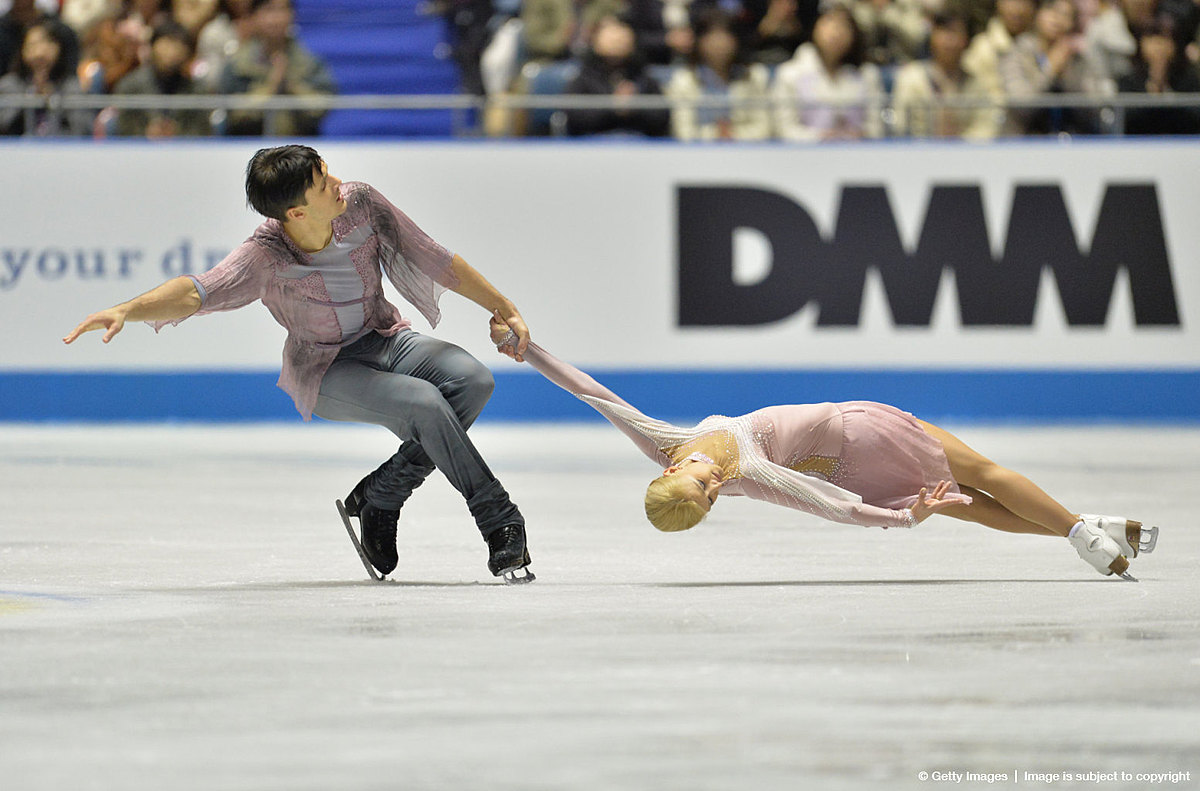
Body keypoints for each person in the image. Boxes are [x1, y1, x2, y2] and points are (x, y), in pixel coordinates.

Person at [63, 145, 536, 583]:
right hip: (327, 370)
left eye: (328, 171)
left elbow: (433, 257)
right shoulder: (265, 255)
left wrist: (503, 306)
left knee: (472, 381)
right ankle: (499, 522)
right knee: (426, 404)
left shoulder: (363, 204)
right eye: (323, 181)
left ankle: (383, 493)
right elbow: (195, 290)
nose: (338, 183)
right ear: (296, 212)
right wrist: (126, 308)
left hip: (386, 338)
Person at [488, 318, 1159, 581]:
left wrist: (529, 349)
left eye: (701, 487)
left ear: (671, 469)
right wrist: (901, 520)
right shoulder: (745, 464)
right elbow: (828, 504)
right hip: (862, 434)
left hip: (857, 456)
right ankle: (1077, 528)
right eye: (711, 500)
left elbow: (595, 395)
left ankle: (1086, 528)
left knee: (969, 501)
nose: (716, 486)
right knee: (978, 475)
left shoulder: (665, 440)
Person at [771, 2, 885, 141]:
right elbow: (783, 130)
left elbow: (876, 128)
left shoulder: (868, 74)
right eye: (829, 22)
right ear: (815, 27)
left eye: (844, 25)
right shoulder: (789, 74)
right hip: (805, 155)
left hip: (857, 153)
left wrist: (858, 135)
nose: (836, 31)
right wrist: (819, 137)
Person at [219, 0, 334, 136]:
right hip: (247, 145)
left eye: (282, 10)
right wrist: (271, 84)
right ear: (253, 16)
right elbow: (236, 114)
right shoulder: (237, 66)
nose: (276, 18)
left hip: (298, 147)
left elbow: (321, 108)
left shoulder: (309, 63)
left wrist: (291, 84)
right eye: (269, 10)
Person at [999, 0, 1113, 135]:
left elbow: (1096, 107)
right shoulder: (1018, 53)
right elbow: (1021, 106)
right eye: (1051, 10)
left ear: (1073, 23)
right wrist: (1050, 70)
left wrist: (1068, 75)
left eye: (1065, 14)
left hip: (1073, 141)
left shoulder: (1078, 58)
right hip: (1024, 142)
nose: (1057, 19)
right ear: (1037, 14)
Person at [664, 8, 773, 141]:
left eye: (725, 35)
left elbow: (764, 128)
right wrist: (715, 134)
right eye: (712, 36)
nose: (719, 43)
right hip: (698, 153)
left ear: (736, 39)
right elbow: (683, 131)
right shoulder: (683, 79)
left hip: (746, 151)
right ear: (699, 41)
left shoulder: (755, 76)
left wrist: (734, 134)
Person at [891, 11, 1000, 139]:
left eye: (955, 32)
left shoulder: (978, 83)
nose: (948, 40)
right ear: (932, 37)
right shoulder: (910, 77)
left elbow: (986, 129)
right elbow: (901, 126)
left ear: (966, 40)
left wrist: (959, 145)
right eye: (943, 32)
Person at [564, 13, 671, 137]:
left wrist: (634, 107)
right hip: (592, 144)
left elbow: (662, 117)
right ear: (596, 40)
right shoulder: (584, 76)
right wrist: (613, 106)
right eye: (611, 33)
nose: (617, 38)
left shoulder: (643, 75)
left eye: (622, 32)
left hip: (639, 144)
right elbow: (574, 117)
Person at [113, 20, 211, 137]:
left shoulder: (196, 91)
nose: (172, 51)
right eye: (167, 43)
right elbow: (122, 129)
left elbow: (203, 132)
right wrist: (146, 134)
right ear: (152, 46)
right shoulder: (130, 87)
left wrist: (178, 134)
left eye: (178, 45)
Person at [0, 21, 93, 136]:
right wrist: (30, 99)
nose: (40, 52)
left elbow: (82, 129)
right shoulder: (9, 85)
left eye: (47, 43)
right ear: (22, 50)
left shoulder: (71, 85)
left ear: (59, 48)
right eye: (33, 45)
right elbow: (5, 127)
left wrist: (54, 102)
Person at [1116, 15, 1200, 133]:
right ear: (1141, 44)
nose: (1158, 46)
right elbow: (1127, 120)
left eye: (1164, 39)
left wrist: (1167, 93)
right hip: (1139, 143)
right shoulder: (1128, 81)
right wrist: (1153, 89)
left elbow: (1194, 118)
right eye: (1151, 39)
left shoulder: (1188, 80)